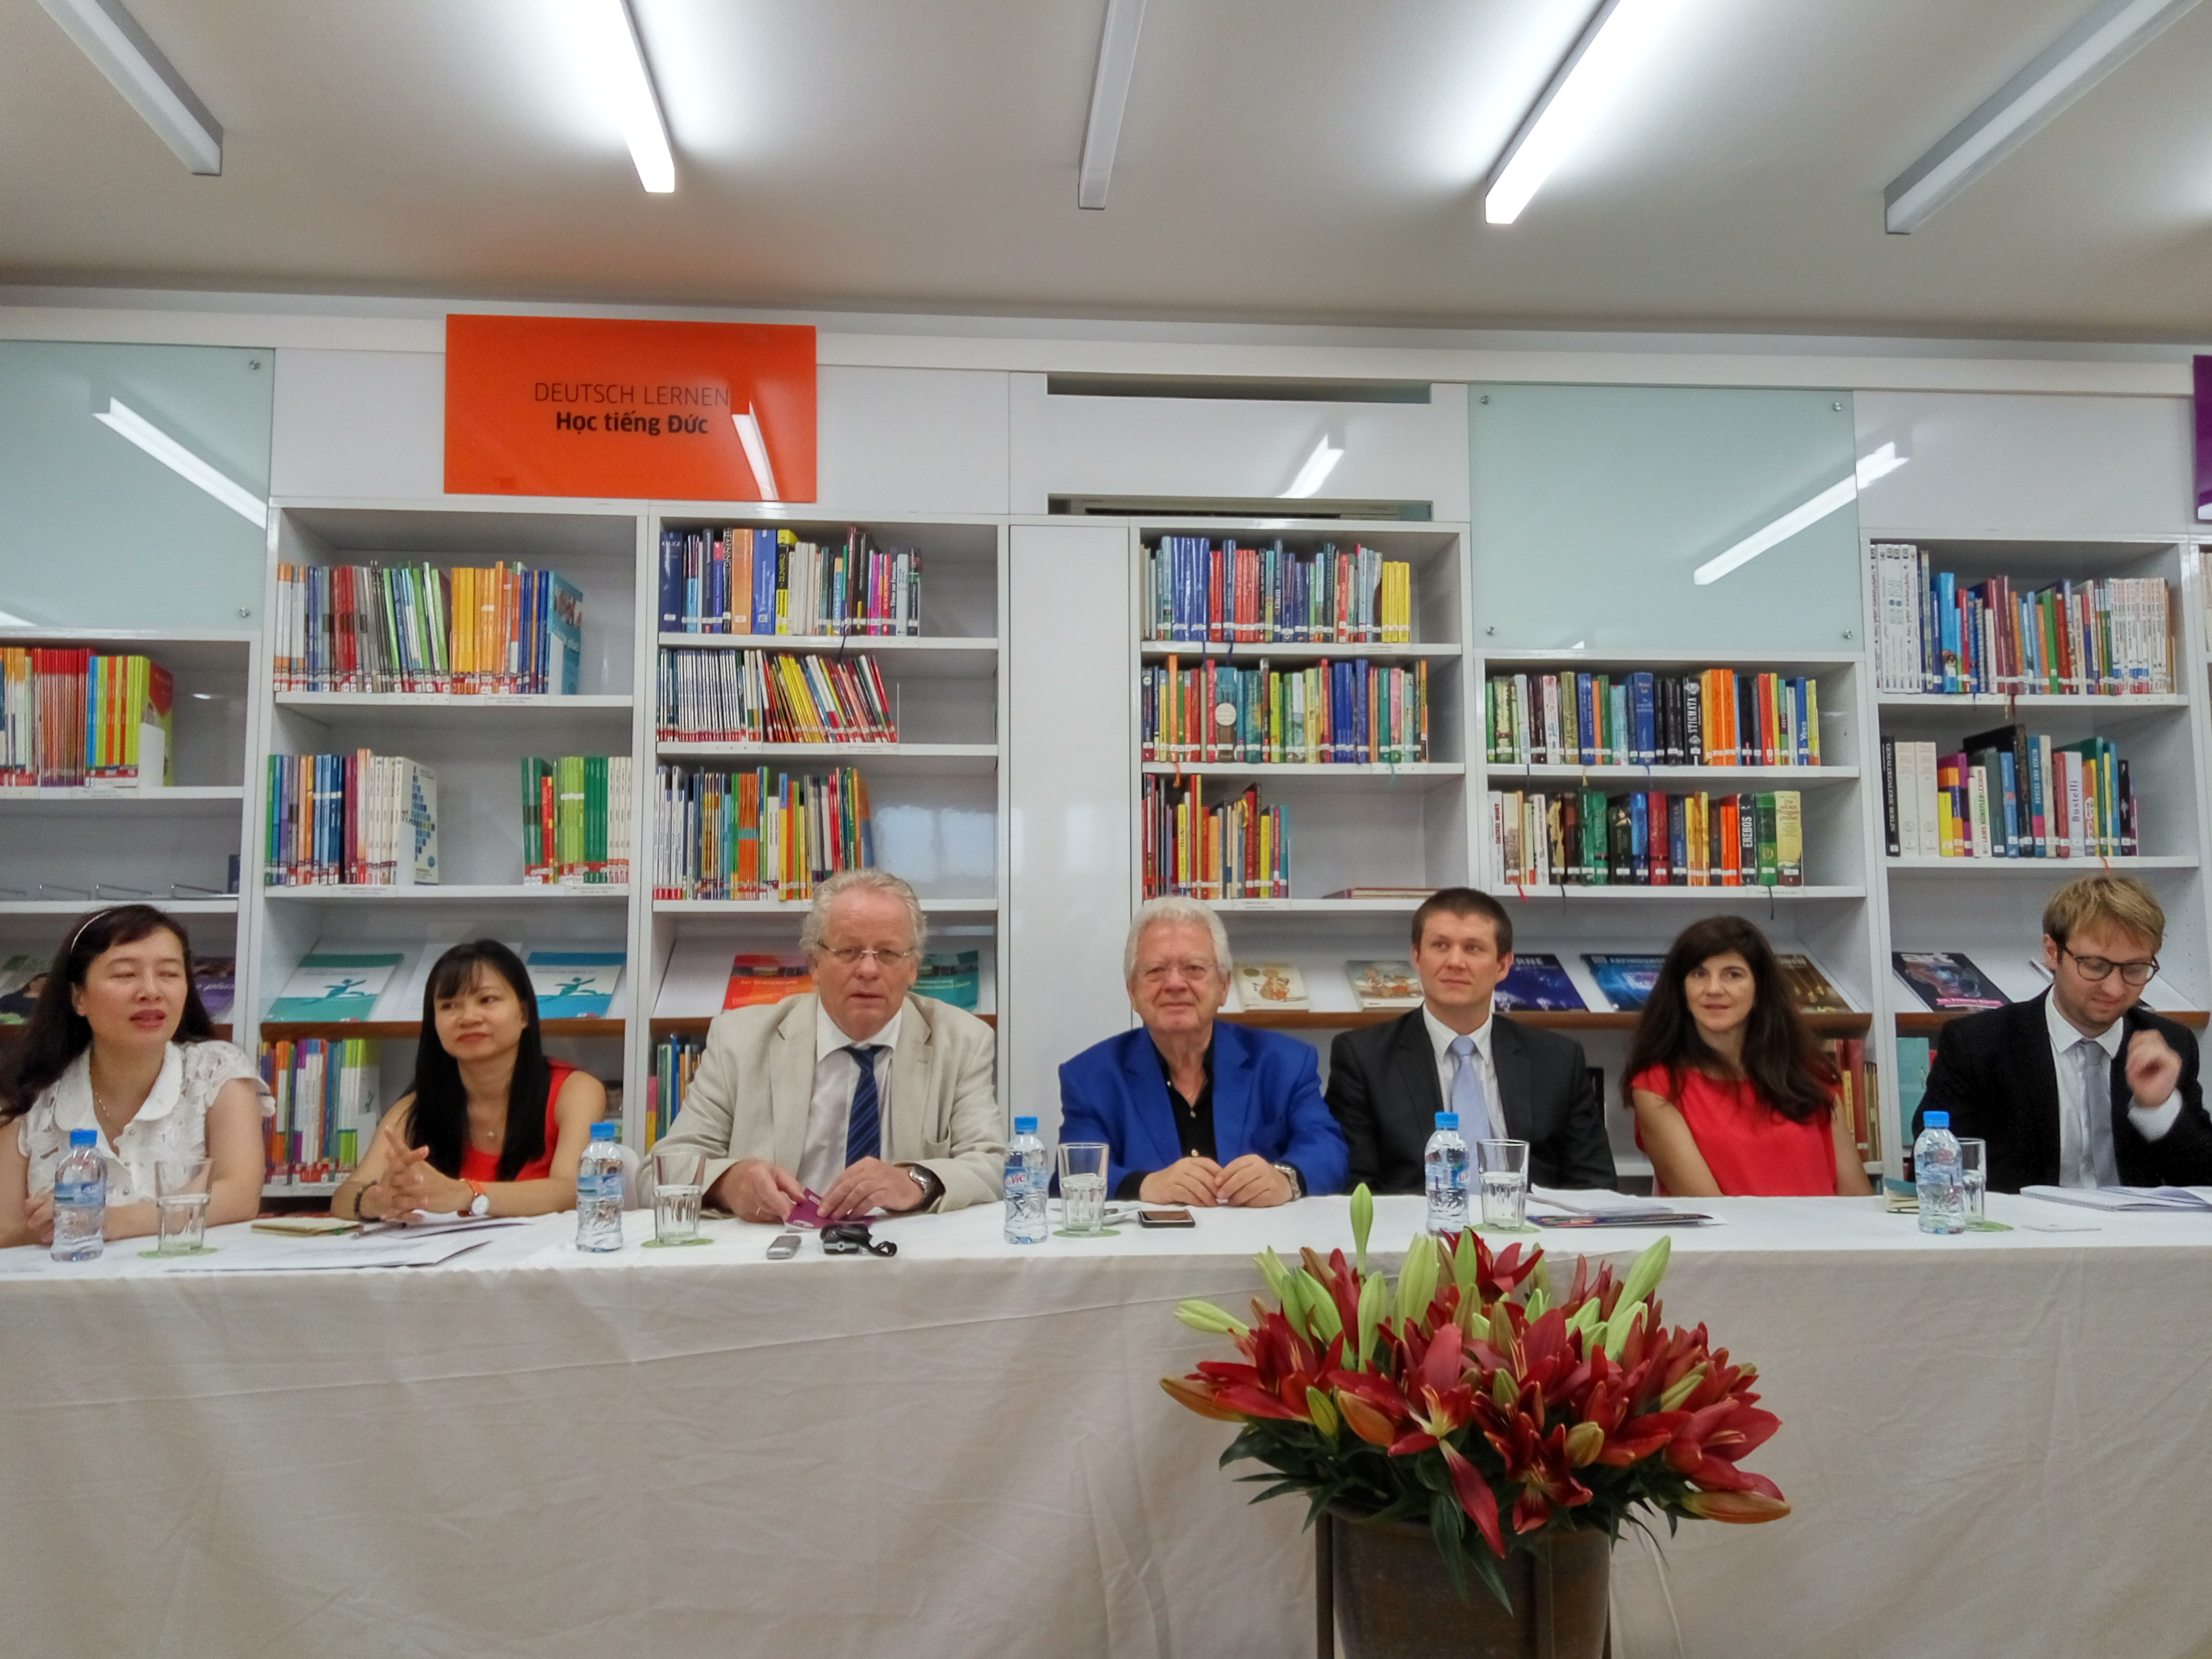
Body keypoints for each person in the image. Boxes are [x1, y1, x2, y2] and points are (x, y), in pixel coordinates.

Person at [651, 868, 1002, 1222]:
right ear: (815, 963)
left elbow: (993, 1164)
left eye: (888, 953)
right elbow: (661, 1170)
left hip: (903, 1245)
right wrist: (728, 1183)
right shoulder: (739, 1041)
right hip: (778, 1242)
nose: (868, 970)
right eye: (849, 951)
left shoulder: (963, 1042)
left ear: (913, 968)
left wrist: (915, 1181)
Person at [1915, 875, 2212, 1193]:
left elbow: (2203, 1180)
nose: (2114, 989)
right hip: (2026, 1223)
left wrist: (2158, 1108)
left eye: (2135, 970)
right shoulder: (1979, 1044)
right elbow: (1940, 1168)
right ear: (2052, 952)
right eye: (2095, 966)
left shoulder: (2170, 1045)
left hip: (2137, 1225)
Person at [0, 906, 270, 1248]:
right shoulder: (27, 1089)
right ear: (79, 997)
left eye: (169, 974)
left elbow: (239, 1195)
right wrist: (61, 1223)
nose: (150, 991)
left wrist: (109, 1220)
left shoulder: (217, 1070)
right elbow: (5, 1228)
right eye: (125, 975)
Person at [1058, 897, 1347, 1205]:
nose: (1175, 984)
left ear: (1224, 986)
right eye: (1156, 970)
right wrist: (1145, 1185)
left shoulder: (1285, 1063)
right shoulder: (1090, 1078)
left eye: (1194, 968)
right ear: (1132, 991)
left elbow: (1329, 1150)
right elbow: (1072, 1175)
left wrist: (1285, 1178)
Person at [1326, 888, 1615, 1192]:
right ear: (1417, 958)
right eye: (1440, 945)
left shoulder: (1558, 1059)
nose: (1455, 961)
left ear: (1503, 966)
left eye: (1473, 948)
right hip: (1417, 1221)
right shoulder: (1364, 1058)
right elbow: (1359, 1189)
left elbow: (1595, 1185)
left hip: (1531, 1220)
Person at [333, 941, 605, 1221]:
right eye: (449, 1005)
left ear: (524, 1014)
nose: (468, 1017)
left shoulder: (575, 1091)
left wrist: (466, 1194)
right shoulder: (416, 1108)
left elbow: (571, 1190)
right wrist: (376, 1201)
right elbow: (344, 1197)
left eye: (487, 1000)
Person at [1623, 916, 1873, 1197]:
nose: (1713, 989)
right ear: (1681, 991)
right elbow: (1709, 1209)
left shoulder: (1811, 1075)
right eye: (1699, 974)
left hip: (1829, 1227)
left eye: (1733, 975)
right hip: (1730, 1229)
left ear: (1760, 991)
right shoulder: (1659, 1087)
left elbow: (1857, 1197)